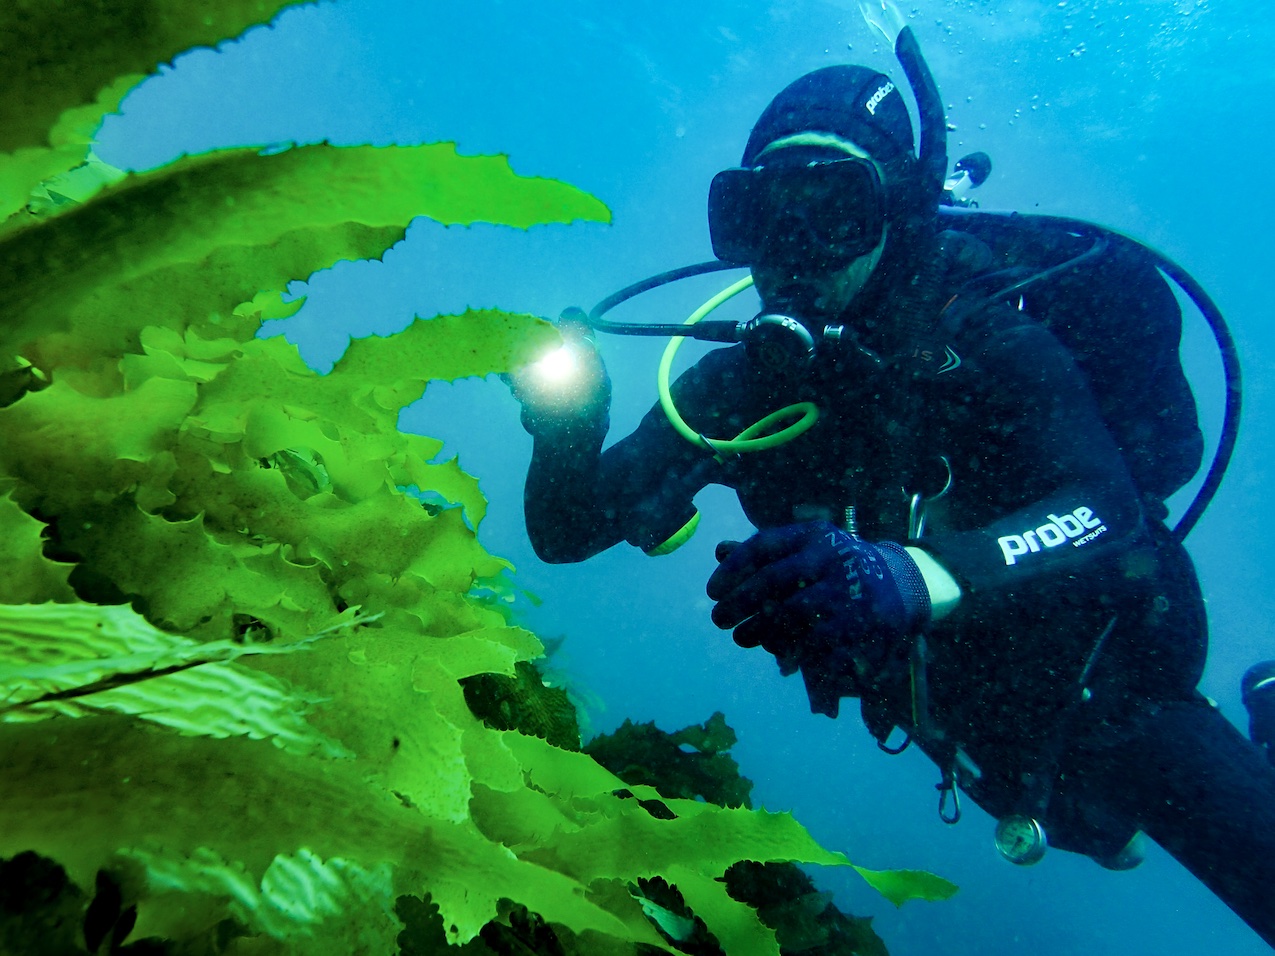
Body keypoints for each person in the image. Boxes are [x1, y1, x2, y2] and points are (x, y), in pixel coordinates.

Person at [509, 11, 1275, 948]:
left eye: (832, 212)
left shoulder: (983, 335)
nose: (794, 257)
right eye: (760, 217)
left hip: (1103, 693)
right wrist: (566, 433)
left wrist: (908, 576)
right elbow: (568, 529)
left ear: (897, 211)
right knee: (1092, 833)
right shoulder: (744, 383)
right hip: (972, 734)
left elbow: (1106, 511)